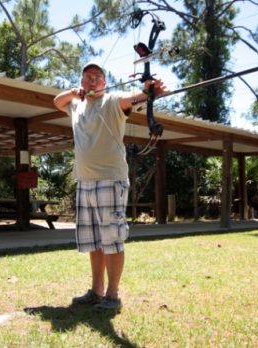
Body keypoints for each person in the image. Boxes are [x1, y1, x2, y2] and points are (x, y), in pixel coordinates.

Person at [53, 61, 167, 313]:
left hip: (110, 179)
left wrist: (149, 91)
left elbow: (132, 98)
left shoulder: (112, 101)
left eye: (98, 76)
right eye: (88, 76)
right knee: (94, 241)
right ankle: (97, 291)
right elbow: (56, 101)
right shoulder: (76, 105)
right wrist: (73, 93)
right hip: (84, 181)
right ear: (81, 81)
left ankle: (113, 296)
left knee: (112, 240)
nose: (93, 80)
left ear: (104, 82)